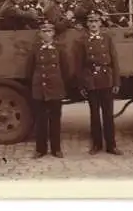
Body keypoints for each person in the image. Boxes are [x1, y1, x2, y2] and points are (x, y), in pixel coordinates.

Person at [74, 9, 123, 156]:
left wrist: (116, 82)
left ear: (100, 23)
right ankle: (96, 144)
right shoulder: (82, 41)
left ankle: (111, 145)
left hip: (106, 79)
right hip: (91, 80)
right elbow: (79, 64)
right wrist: (81, 84)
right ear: (87, 24)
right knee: (94, 115)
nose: (93, 24)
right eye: (90, 22)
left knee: (108, 114)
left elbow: (114, 60)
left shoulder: (107, 38)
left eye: (96, 21)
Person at [25, 19, 70, 159]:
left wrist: (60, 85)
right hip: (40, 89)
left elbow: (66, 70)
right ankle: (40, 149)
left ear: (54, 33)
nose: (46, 34)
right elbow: (29, 71)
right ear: (39, 34)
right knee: (41, 121)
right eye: (44, 31)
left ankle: (56, 149)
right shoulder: (35, 49)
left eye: (49, 31)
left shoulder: (60, 49)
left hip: (55, 89)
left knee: (55, 120)